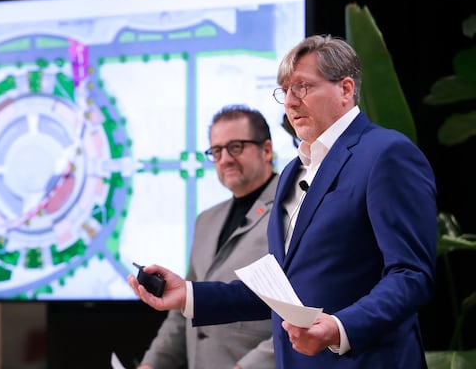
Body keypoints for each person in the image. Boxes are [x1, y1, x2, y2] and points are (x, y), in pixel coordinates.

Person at [128, 34, 438, 369]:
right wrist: (188, 294)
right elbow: (281, 292)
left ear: (345, 90)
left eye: (302, 87)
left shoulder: (386, 154)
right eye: (285, 91)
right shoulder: (293, 171)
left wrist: (340, 327)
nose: (290, 102)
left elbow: (411, 274)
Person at [138, 105, 278, 369]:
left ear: (267, 150)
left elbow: (301, 307)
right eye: (216, 151)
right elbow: (182, 311)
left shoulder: (293, 210)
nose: (224, 158)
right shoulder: (206, 220)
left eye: (235, 147)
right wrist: (152, 364)